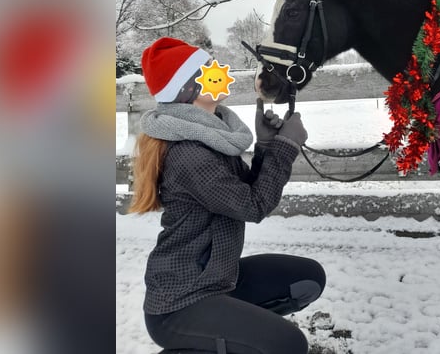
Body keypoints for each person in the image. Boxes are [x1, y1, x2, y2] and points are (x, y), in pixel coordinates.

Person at [128, 37, 325, 354]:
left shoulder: (212, 137)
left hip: (217, 282)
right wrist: (285, 148)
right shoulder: (190, 154)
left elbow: (247, 192)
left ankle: (233, 338)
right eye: (208, 70)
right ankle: (210, 339)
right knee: (288, 345)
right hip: (180, 304)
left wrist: (265, 146)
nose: (220, 70)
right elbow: (253, 205)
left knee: (308, 278)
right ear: (189, 88)